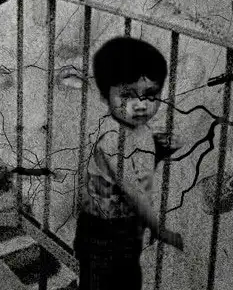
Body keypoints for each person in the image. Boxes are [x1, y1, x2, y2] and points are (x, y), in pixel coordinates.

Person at [74, 36, 184, 290]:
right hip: (101, 233)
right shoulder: (111, 138)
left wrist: (160, 149)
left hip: (128, 229)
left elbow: (141, 162)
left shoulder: (141, 130)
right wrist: (159, 228)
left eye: (151, 95)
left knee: (129, 279)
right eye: (127, 96)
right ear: (105, 96)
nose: (140, 105)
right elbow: (133, 190)